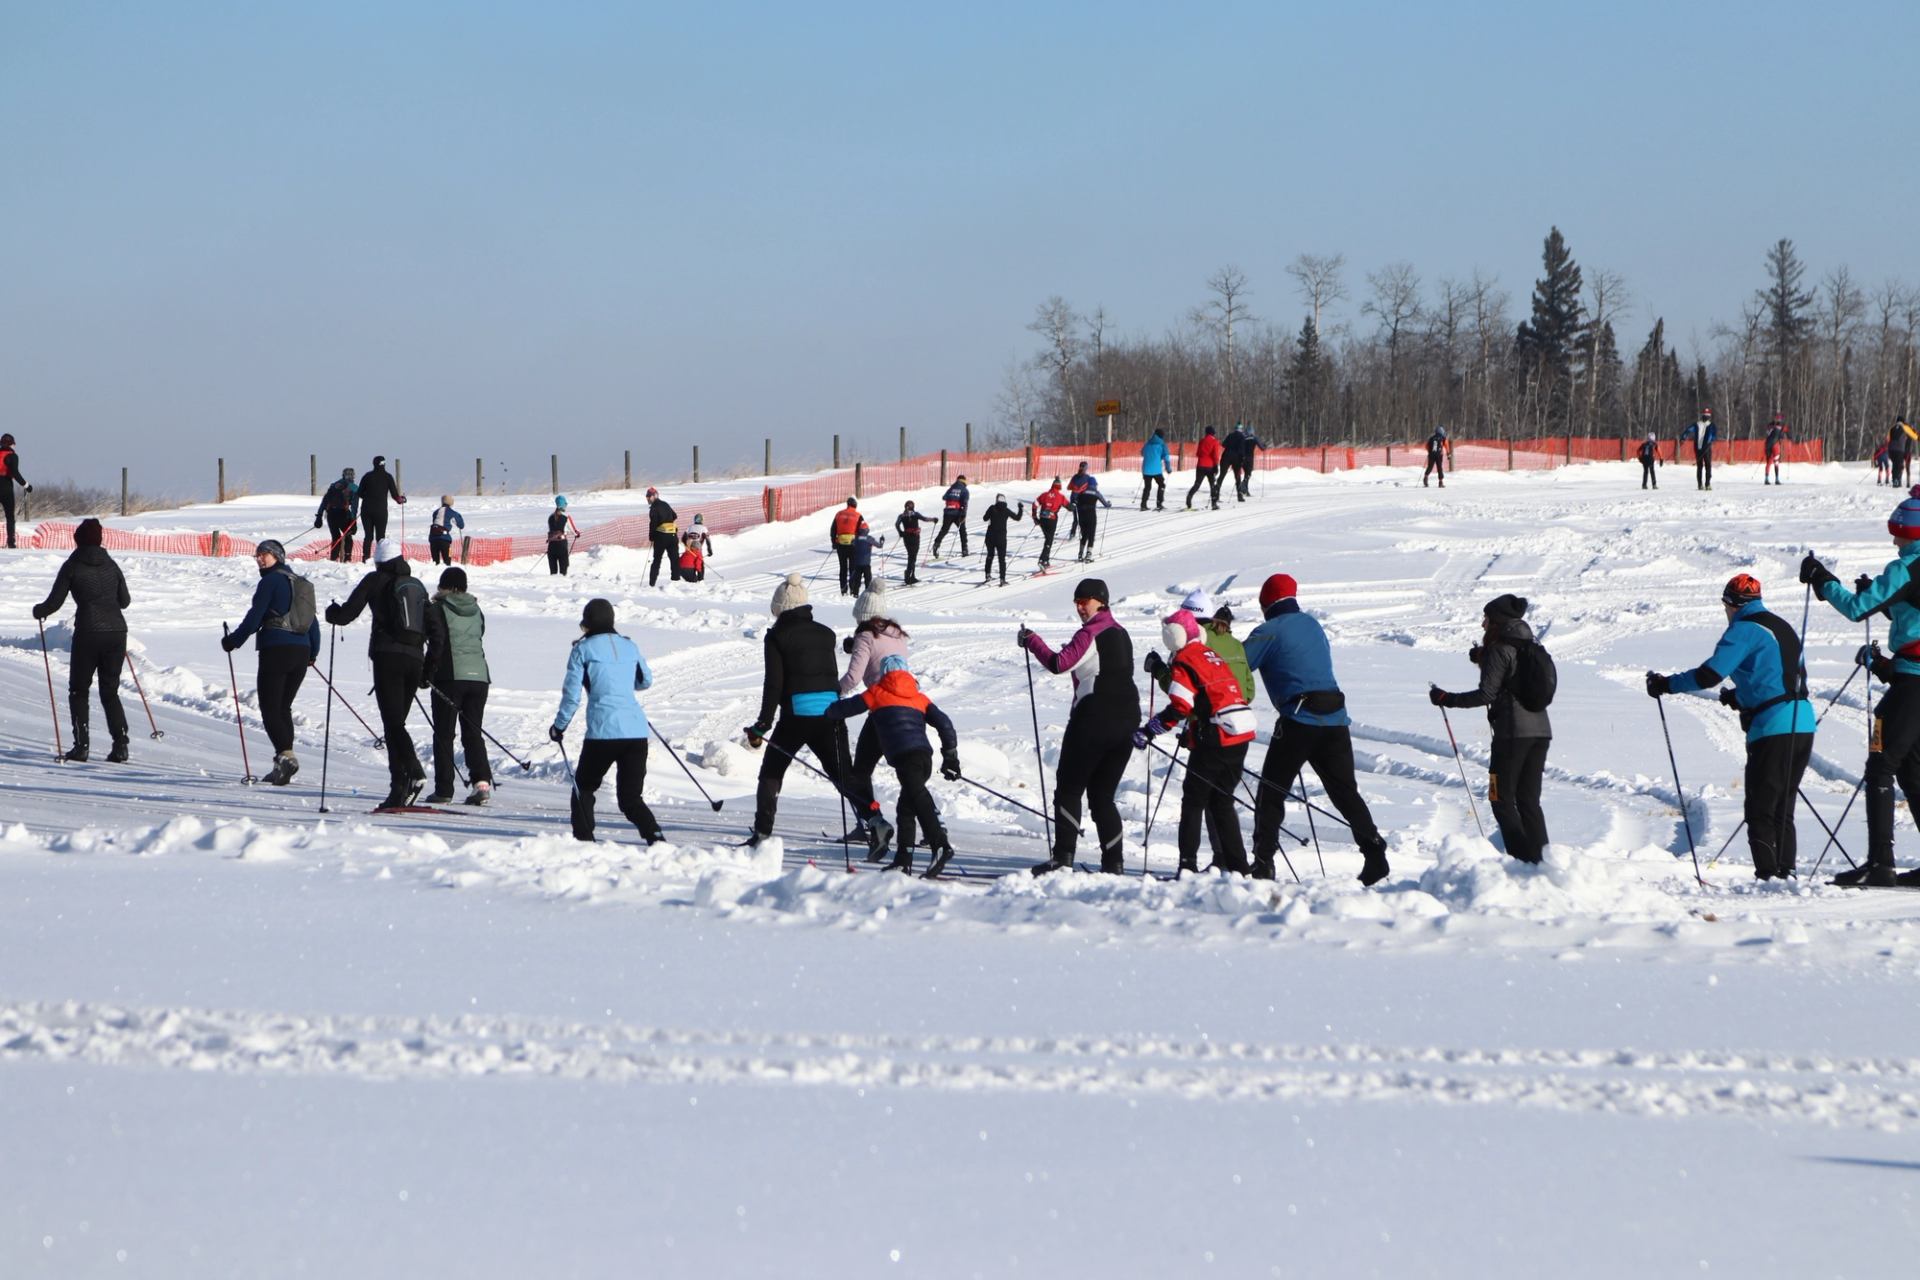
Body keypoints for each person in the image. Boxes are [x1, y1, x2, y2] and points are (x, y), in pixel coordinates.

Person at [1646, 574, 1814, 879]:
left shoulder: (1743, 630)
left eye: (1726, 606)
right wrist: (1740, 696)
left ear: (1731, 605)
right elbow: (1780, 675)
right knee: (1782, 808)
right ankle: (1785, 875)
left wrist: (1666, 685)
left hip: (1773, 727)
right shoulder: (1781, 626)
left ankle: (1768, 877)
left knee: (1760, 809)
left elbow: (1710, 674)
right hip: (1803, 723)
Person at [1799, 492, 1920, 886]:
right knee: (1914, 772)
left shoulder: (1906, 568)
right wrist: (1883, 601)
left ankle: (1880, 864)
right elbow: (1909, 606)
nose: (1895, 543)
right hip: (1910, 677)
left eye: (1898, 536)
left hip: (1914, 683)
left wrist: (1823, 581)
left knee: (1881, 765)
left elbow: (1854, 608)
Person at [1243, 573, 1391, 885]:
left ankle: (1263, 862)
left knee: (1271, 793)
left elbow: (1237, 664)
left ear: (1265, 603)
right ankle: (1375, 853)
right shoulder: (1313, 625)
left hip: (1299, 721)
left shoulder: (1268, 631)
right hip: (1336, 719)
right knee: (1344, 792)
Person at [1020, 577, 1138, 875]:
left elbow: (1060, 663)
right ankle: (1114, 864)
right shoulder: (1122, 633)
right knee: (1102, 796)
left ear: (1101, 601)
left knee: (1070, 789)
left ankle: (1063, 859)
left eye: (1084, 601)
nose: (1080, 608)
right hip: (1127, 719)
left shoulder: (1091, 632)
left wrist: (1033, 641)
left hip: (1094, 716)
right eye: (1076, 603)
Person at [1428, 594, 1552, 865]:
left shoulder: (1498, 649)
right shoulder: (1530, 643)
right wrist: (1483, 659)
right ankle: (1544, 862)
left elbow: (1486, 694)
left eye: (1486, 618)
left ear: (1497, 621)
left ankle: (1522, 863)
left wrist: (1447, 699)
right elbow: (1513, 676)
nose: (1483, 624)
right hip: (1541, 732)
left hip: (1511, 735)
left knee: (1500, 799)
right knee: (1529, 801)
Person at [745, 572, 861, 845]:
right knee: (843, 773)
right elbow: (830, 676)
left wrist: (763, 724)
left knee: (772, 772)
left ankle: (762, 831)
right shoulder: (826, 633)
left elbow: (773, 683)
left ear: (780, 608)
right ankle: (874, 820)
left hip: (796, 716)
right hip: (831, 713)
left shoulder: (776, 636)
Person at [1138, 610, 1257, 873]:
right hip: (1241, 733)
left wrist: (1149, 730)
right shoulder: (1209, 653)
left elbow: (1180, 706)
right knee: (1222, 800)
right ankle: (1238, 867)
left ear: (1173, 637)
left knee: (1193, 801)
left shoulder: (1184, 659)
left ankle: (1187, 867)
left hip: (1217, 737)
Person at [826, 655, 960, 876]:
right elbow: (945, 723)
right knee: (905, 807)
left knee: (917, 797)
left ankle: (941, 845)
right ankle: (902, 860)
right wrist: (950, 757)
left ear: (885, 674)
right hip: (923, 756)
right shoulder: (919, 697)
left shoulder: (878, 692)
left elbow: (845, 709)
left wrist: (828, 708)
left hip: (905, 757)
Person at [324, 539, 430, 809]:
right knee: (397, 724)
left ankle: (412, 774)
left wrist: (332, 613)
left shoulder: (375, 580)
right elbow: (432, 626)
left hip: (388, 658)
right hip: (415, 658)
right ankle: (399, 787)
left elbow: (347, 615)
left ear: (379, 560)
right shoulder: (416, 586)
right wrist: (429, 667)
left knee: (393, 724)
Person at [550, 598, 665, 843]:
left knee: (584, 788)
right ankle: (655, 836)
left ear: (588, 624)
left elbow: (572, 697)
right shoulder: (629, 646)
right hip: (635, 732)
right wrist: (622, 686)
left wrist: (559, 727)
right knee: (630, 799)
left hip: (602, 733)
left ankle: (584, 841)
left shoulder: (582, 649)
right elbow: (645, 681)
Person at [219, 538, 320, 786]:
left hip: (276, 648)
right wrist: (312, 652)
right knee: (283, 707)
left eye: (265, 554)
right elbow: (312, 623)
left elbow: (255, 618)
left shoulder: (270, 581)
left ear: (278, 557)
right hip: (301, 650)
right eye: (257, 555)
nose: (259, 558)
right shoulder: (301, 584)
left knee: (270, 707)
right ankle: (281, 765)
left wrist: (233, 641)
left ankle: (286, 756)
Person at [30, 517, 130, 762]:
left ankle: (81, 746)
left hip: (88, 632)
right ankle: (120, 745)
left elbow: (54, 602)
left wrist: (38, 610)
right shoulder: (111, 564)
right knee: (110, 691)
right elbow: (125, 601)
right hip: (117, 632)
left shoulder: (72, 565)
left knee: (79, 690)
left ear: (78, 540)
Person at [423, 566, 494, 806]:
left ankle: (444, 789)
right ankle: (482, 784)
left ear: (444, 585)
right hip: (480, 677)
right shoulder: (477, 610)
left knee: (444, 733)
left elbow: (436, 643)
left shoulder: (437, 608)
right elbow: (480, 635)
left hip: (449, 676)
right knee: (473, 733)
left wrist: (426, 673)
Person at [355, 455, 406, 562]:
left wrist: (368, 497)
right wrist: (401, 500)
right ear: (384, 464)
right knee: (380, 537)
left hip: (366, 510)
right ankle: (380, 558)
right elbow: (395, 496)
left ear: (373, 463)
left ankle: (365, 558)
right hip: (381, 511)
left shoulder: (367, 476)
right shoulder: (388, 477)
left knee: (368, 536)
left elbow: (359, 493)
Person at [313, 467, 358, 562]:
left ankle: (333, 558)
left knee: (336, 537)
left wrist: (319, 516)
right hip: (343, 514)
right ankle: (347, 558)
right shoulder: (353, 487)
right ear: (353, 476)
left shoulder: (333, 485)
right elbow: (354, 506)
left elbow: (325, 501)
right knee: (348, 536)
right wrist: (353, 521)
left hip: (331, 515)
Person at [980, 493, 1024, 585]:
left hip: (990, 537)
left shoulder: (992, 508)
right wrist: (1020, 508)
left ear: (997, 500)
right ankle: (1002, 579)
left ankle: (988, 575)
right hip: (1001, 538)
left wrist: (990, 516)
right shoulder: (1006, 510)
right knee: (1001, 559)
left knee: (990, 556)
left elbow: (985, 518)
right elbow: (1017, 518)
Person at [1070, 467, 1110, 563]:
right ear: (1095, 485)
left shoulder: (1082, 492)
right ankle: (1088, 554)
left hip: (1082, 516)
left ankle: (1080, 554)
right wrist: (1109, 504)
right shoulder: (1096, 493)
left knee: (1084, 535)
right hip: (1091, 515)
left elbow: (1075, 500)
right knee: (1091, 534)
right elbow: (1105, 504)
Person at [0, 431, 30, 549]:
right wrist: (26, 485)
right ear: (11, 444)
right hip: (6, 486)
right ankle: (11, 542)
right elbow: (15, 473)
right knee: (10, 516)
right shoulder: (12, 456)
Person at [894, 501, 935, 584]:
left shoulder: (901, 515)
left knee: (911, 556)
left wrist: (900, 532)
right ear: (913, 507)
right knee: (913, 557)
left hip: (906, 537)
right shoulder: (915, 514)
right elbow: (925, 519)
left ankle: (911, 575)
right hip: (915, 537)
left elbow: (897, 524)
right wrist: (933, 519)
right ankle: (909, 576)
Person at [646, 486, 680, 586]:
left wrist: (651, 537)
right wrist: (668, 521)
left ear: (654, 496)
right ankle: (676, 582)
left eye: (648, 496)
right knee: (674, 559)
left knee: (657, 560)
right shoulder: (665, 504)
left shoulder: (654, 508)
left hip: (661, 537)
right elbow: (674, 515)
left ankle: (652, 584)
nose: (647, 499)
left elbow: (653, 524)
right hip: (673, 535)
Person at [931, 475, 970, 559]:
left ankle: (936, 544)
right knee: (962, 530)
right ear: (964, 481)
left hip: (947, 512)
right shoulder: (964, 490)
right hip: (958, 513)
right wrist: (963, 514)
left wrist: (952, 497)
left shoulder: (951, 488)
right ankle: (964, 549)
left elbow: (944, 497)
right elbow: (965, 502)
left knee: (944, 530)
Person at [829, 497, 863, 595]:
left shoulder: (839, 514)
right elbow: (863, 530)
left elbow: (833, 529)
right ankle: (853, 589)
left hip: (840, 544)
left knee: (843, 567)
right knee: (853, 567)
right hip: (853, 545)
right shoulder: (858, 515)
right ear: (855, 505)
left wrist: (833, 542)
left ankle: (843, 589)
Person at [1033, 478, 1069, 569]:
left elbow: (1035, 504)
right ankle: (1042, 560)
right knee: (1049, 539)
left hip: (1042, 519)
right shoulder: (1060, 496)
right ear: (1059, 487)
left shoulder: (1044, 495)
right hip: (1052, 519)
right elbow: (1069, 507)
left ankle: (1046, 560)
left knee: (1048, 538)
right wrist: (1073, 506)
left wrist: (1035, 517)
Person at [1187, 427, 1224, 509]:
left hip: (1200, 465)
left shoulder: (1202, 441)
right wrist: (1216, 466)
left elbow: (1198, 453)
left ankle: (1189, 497)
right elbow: (1215, 455)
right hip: (1210, 467)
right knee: (1212, 485)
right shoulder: (1214, 442)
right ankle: (1214, 504)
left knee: (1197, 484)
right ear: (1213, 433)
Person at [1680, 409, 1716, 491]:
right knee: (1708, 466)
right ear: (1709, 416)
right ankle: (1707, 484)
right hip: (1706, 448)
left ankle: (1700, 484)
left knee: (1700, 466)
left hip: (1697, 448)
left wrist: (1683, 438)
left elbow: (1688, 431)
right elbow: (1713, 436)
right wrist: (1711, 441)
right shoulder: (1712, 425)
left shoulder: (1696, 424)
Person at [847, 520, 885, 596]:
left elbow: (852, 543)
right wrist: (882, 541)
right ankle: (868, 594)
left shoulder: (856, 539)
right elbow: (879, 546)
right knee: (868, 579)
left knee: (857, 579)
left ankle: (855, 593)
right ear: (867, 530)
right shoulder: (869, 539)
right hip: (866, 563)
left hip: (857, 563)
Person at [546, 496, 580, 576]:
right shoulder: (566, 517)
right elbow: (574, 531)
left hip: (551, 547)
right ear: (563, 505)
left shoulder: (550, 517)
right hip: (562, 546)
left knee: (553, 572)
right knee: (563, 571)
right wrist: (577, 534)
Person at [428, 496, 464, 565]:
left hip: (432, 538)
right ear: (451, 503)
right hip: (444, 539)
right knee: (447, 561)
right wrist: (459, 516)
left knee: (435, 562)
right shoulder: (452, 513)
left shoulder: (436, 512)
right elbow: (461, 525)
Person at [1140, 428, 1170, 510]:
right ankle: (1159, 503)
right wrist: (1168, 468)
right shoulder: (1162, 445)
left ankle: (1143, 504)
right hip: (1156, 470)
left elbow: (1142, 453)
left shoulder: (1147, 443)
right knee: (1161, 485)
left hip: (1146, 469)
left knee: (1147, 487)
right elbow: (1166, 457)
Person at [677, 518, 710, 584]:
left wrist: (687, 547)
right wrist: (710, 550)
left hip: (688, 549)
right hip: (695, 549)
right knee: (699, 564)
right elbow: (707, 539)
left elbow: (683, 538)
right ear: (702, 520)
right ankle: (701, 580)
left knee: (691, 563)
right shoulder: (703, 528)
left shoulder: (690, 527)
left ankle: (696, 579)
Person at [1762, 414, 1791, 485]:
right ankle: (1777, 479)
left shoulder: (1769, 426)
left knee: (1768, 462)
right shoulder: (1781, 427)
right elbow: (1783, 435)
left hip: (1767, 445)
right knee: (1776, 462)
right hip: (1775, 445)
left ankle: (1766, 479)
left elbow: (1767, 433)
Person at [1889, 418, 1917, 487]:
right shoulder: (1907, 430)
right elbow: (1915, 437)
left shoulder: (1894, 429)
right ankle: (1904, 482)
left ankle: (1898, 480)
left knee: (1897, 465)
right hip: (1904, 451)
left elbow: (1889, 439)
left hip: (1896, 450)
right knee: (1905, 467)